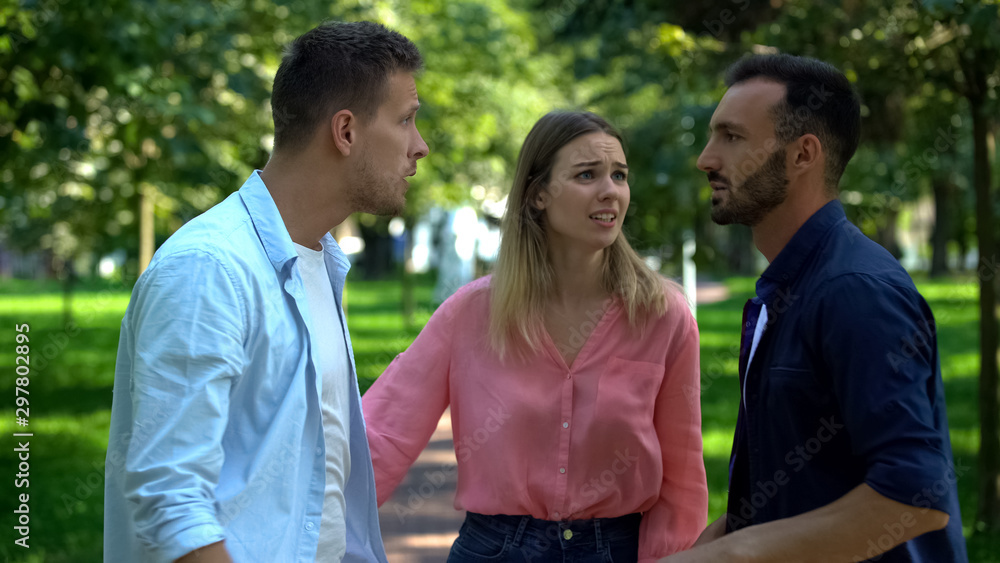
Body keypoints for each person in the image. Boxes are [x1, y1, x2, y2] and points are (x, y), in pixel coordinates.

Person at [104, 21, 429, 563]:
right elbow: (171, 504)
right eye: (407, 120)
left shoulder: (321, 262)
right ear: (345, 131)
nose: (421, 145)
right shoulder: (210, 270)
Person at [362, 111, 708, 562]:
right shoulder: (472, 313)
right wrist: (311, 532)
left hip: (616, 550)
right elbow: (382, 433)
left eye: (619, 175)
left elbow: (683, 479)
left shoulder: (663, 315)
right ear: (538, 194)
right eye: (587, 174)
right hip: (495, 549)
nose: (610, 190)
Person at [662, 54, 968, 562]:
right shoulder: (784, 287)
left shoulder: (855, 291)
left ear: (803, 154)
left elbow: (915, 496)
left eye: (732, 137)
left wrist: (732, 556)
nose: (706, 159)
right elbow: (781, 492)